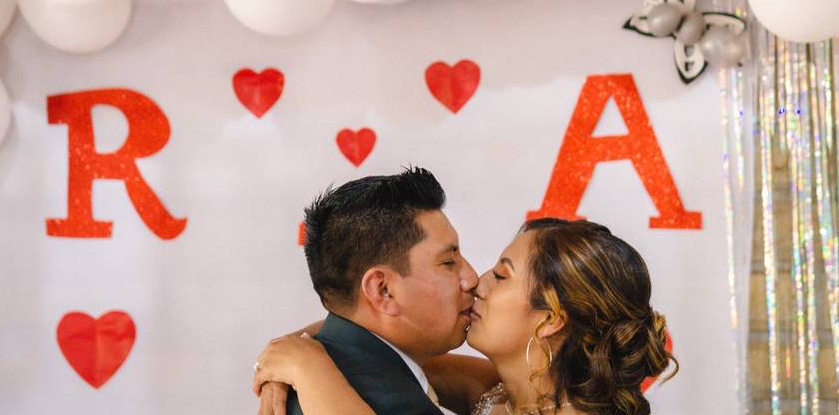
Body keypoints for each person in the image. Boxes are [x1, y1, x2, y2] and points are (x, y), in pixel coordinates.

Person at [254, 217, 677, 415]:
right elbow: (367, 332)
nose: (476, 281)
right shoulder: (496, 393)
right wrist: (284, 355)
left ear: (550, 319)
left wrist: (307, 368)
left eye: (502, 275)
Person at [259, 167, 480, 414]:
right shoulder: (397, 404)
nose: (472, 279)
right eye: (449, 262)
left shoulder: (324, 369)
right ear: (383, 290)